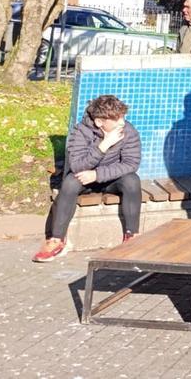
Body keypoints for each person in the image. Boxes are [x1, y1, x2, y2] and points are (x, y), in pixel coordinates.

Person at [33, 94, 142, 262]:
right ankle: (56, 239)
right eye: (117, 119)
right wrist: (103, 145)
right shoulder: (80, 132)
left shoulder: (128, 131)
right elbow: (77, 166)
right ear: (99, 122)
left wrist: (97, 174)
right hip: (84, 178)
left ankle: (132, 236)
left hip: (111, 179)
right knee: (70, 182)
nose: (122, 122)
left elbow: (131, 164)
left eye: (123, 117)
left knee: (132, 180)